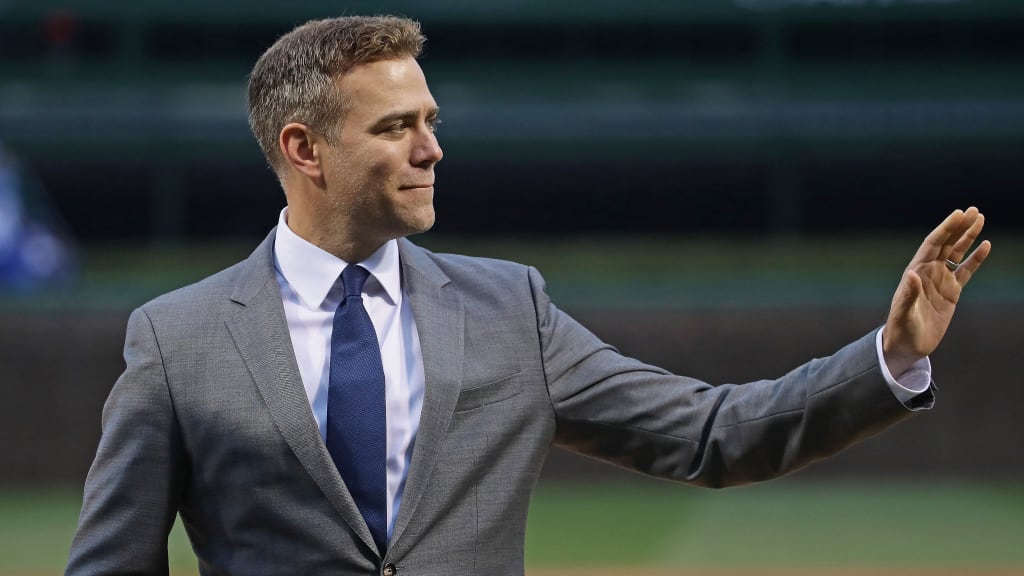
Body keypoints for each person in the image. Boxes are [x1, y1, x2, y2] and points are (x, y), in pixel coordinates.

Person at [65, 15, 991, 576]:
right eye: (396, 128)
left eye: (431, 121)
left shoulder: (511, 309)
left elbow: (716, 434)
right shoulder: (177, 340)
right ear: (304, 150)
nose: (432, 149)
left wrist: (893, 356)